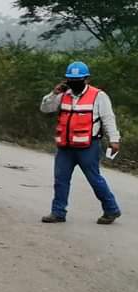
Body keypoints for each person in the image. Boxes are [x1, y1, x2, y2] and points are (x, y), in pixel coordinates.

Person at [39, 61, 122, 225]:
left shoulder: (99, 96)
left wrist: (114, 140)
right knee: (60, 179)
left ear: (87, 79)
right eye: (70, 79)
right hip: (65, 147)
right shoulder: (63, 95)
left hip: (88, 146)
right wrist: (53, 93)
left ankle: (111, 210)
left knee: (95, 179)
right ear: (66, 80)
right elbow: (45, 108)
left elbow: (108, 119)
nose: (74, 82)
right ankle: (58, 212)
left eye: (78, 79)